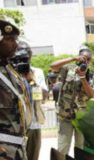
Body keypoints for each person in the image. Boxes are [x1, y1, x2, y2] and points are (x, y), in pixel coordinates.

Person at [51, 48, 94, 155]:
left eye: (88, 59)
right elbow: (53, 66)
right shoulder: (68, 69)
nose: (85, 61)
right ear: (78, 58)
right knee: (63, 148)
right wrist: (72, 59)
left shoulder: (92, 75)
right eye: (83, 58)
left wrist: (83, 77)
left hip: (82, 118)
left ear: (90, 61)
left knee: (80, 149)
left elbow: (91, 95)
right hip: (65, 116)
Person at [0, 16, 32, 160]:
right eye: (10, 40)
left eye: (15, 40)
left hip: (16, 147)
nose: (16, 45)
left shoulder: (9, 69)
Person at [16, 41, 48, 160]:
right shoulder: (10, 72)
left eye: (27, 53)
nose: (25, 57)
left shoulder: (37, 72)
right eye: (21, 54)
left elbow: (43, 97)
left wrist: (31, 80)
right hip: (17, 126)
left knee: (33, 157)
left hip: (34, 124)